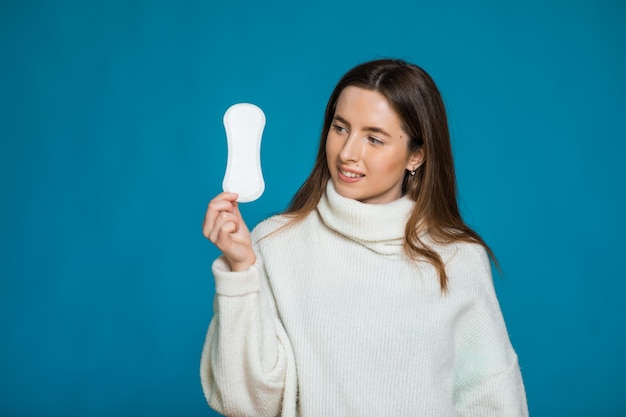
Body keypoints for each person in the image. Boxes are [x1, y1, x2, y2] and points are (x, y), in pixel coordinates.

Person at [200, 58, 528, 417]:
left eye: (374, 138)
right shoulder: (275, 243)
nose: (347, 153)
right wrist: (241, 271)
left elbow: (492, 399)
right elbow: (247, 402)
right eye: (340, 128)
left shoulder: (457, 258)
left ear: (415, 155)